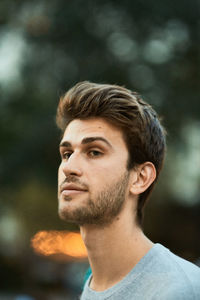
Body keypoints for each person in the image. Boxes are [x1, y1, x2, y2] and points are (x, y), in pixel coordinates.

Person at [56, 81, 200, 299]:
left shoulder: (179, 291)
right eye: (67, 153)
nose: (69, 167)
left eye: (94, 152)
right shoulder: (91, 285)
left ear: (141, 178)